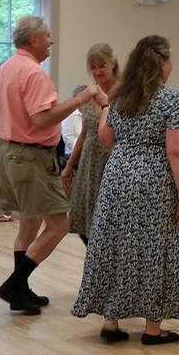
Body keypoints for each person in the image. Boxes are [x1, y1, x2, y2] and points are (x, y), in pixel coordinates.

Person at [71, 35, 179, 345]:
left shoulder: (120, 97)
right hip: (154, 180)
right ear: (163, 64)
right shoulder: (170, 99)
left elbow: (105, 137)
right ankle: (153, 329)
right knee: (158, 248)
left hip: (117, 176)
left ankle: (111, 322)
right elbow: (177, 152)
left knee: (116, 245)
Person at [0, 16, 102, 314]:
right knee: (60, 224)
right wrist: (80, 98)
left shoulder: (6, 67)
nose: (51, 41)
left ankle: (20, 291)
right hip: (29, 157)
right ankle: (16, 283)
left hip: (9, 152)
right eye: (48, 36)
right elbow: (42, 119)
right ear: (34, 41)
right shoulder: (33, 73)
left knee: (30, 221)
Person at [61, 43, 120, 244]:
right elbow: (85, 133)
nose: (97, 71)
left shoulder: (124, 93)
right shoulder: (88, 94)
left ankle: (107, 269)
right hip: (89, 162)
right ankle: (98, 267)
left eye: (101, 65)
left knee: (109, 223)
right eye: (92, 67)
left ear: (112, 64)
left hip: (112, 161)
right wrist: (69, 166)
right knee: (85, 224)